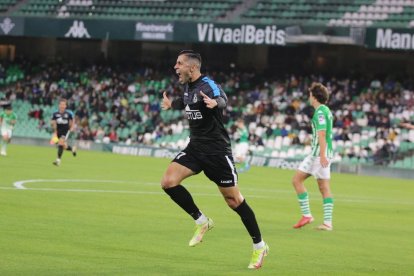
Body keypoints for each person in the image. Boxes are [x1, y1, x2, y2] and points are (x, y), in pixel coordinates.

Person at [161, 50, 269, 269]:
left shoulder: (207, 84)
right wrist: (172, 105)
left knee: (234, 201)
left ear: (192, 67)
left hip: (217, 152)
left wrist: (215, 104)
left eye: (179, 63)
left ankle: (259, 246)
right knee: (168, 182)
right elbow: (187, 104)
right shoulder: (188, 87)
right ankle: (202, 221)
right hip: (195, 148)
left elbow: (222, 99)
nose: (175, 67)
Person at [292, 82, 334, 231]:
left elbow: (322, 134)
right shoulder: (327, 110)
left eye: (310, 95)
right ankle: (327, 223)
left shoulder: (320, 112)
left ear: (315, 97)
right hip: (326, 152)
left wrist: (322, 155)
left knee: (297, 180)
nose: (309, 97)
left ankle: (307, 215)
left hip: (318, 154)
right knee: (324, 187)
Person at [51, 99, 77, 166]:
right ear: (59, 105)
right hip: (57, 131)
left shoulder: (68, 113)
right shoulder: (55, 114)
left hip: (65, 131)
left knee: (60, 143)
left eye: (64, 104)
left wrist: (72, 127)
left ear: (65, 106)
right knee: (61, 145)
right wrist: (54, 129)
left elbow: (72, 120)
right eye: (61, 104)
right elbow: (53, 122)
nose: (62, 106)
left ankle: (58, 160)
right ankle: (72, 149)